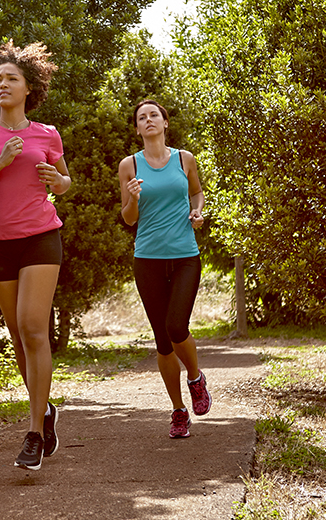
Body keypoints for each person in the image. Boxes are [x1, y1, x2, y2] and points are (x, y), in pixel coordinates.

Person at [0, 41, 71, 471]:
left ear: (29, 87)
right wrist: (0, 162)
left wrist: (57, 180)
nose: (3, 84)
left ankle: (34, 433)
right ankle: (46, 410)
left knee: (32, 328)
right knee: (20, 337)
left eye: (12, 78)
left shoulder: (47, 133)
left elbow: (64, 182)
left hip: (41, 237)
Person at [118, 99, 211, 438]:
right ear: (137, 129)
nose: (148, 120)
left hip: (185, 255)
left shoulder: (185, 159)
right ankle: (178, 410)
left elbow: (197, 193)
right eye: (141, 117)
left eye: (153, 115)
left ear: (165, 122)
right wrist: (133, 198)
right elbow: (129, 219)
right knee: (162, 341)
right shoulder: (129, 165)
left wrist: (197, 212)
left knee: (176, 326)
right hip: (148, 260)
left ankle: (195, 378)